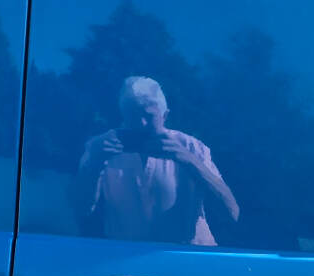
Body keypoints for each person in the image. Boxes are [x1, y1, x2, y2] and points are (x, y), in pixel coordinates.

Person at [75, 76, 239, 245]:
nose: (141, 124)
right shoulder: (100, 147)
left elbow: (231, 213)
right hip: (127, 261)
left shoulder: (192, 148)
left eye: (148, 116)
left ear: (165, 116)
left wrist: (190, 161)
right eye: (132, 116)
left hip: (191, 258)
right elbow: (80, 210)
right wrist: (94, 165)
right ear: (122, 115)